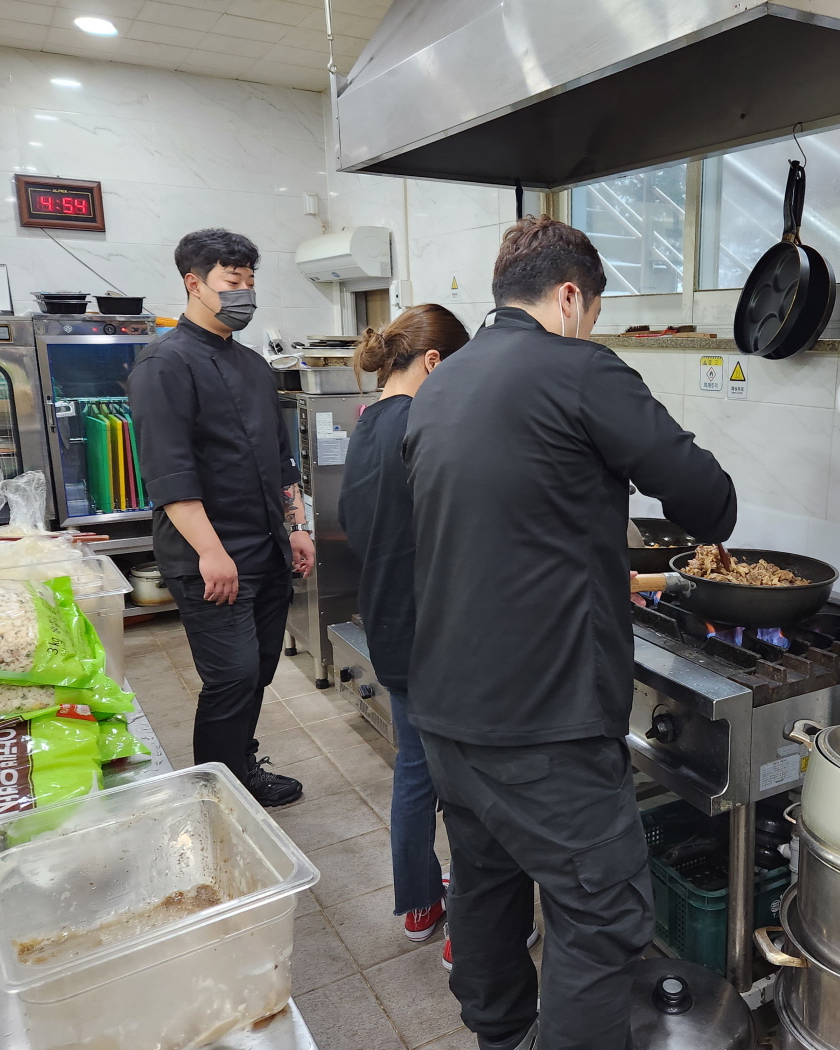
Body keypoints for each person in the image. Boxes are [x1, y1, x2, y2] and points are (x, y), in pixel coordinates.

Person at [404, 216, 737, 1050]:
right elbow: (709, 502)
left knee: (486, 886)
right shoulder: (581, 369)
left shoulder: (441, 381)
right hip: (544, 722)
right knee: (601, 916)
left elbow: (495, 520)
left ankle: (499, 1038)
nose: (589, 326)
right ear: (567, 296)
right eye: (591, 311)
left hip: (447, 712)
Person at [131, 228, 315, 808]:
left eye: (250, 282)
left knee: (257, 668)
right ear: (194, 283)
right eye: (232, 281)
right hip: (207, 555)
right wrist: (212, 552)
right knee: (231, 675)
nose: (244, 293)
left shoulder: (254, 366)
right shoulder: (164, 365)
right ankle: (214, 794)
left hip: (265, 547)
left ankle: (238, 766)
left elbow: (281, 459)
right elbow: (170, 473)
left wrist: (297, 526)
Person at [338, 304, 469, 942]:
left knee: (415, 771)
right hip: (438, 633)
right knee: (468, 783)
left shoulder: (368, 422)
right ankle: (471, 933)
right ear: (435, 362)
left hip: (388, 620)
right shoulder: (424, 423)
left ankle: (419, 903)